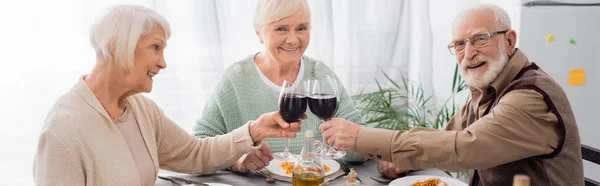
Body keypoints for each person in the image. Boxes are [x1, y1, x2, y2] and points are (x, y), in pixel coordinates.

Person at [33, 5, 301, 185]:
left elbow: (195, 154)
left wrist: (253, 131)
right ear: (117, 47)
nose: (163, 63)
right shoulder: (64, 130)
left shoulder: (141, 110)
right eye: (155, 48)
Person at [319, 3, 584, 185]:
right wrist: (404, 157)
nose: (468, 53)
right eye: (459, 44)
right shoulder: (490, 89)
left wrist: (361, 137)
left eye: (480, 38)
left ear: (510, 40)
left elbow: (464, 147)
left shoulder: (530, 97)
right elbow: (446, 139)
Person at [193, 0, 365, 173]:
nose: (292, 40)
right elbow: (199, 146)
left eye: (301, 28)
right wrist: (235, 160)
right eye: (281, 29)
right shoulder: (237, 78)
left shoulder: (320, 74)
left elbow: (361, 147)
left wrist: (362, 145)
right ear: (259, 33)